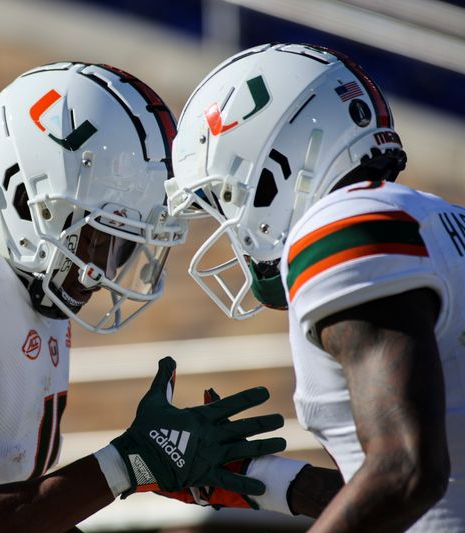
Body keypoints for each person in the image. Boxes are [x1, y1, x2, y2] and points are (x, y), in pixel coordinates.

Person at [0, 61, 288, 532]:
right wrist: (129, 464)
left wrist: (159, 467)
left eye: (125, 246)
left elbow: (19, 512)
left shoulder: (36, 303)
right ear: (26, 200)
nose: (104, 271)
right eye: (99, 237)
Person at [165, 43, 464, 531]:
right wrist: (262, 477)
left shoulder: (343, 224)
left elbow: (407, 473)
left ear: (274, 164)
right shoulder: (437, 217)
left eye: (222, 197)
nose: (227, 224)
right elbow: (426, 486)